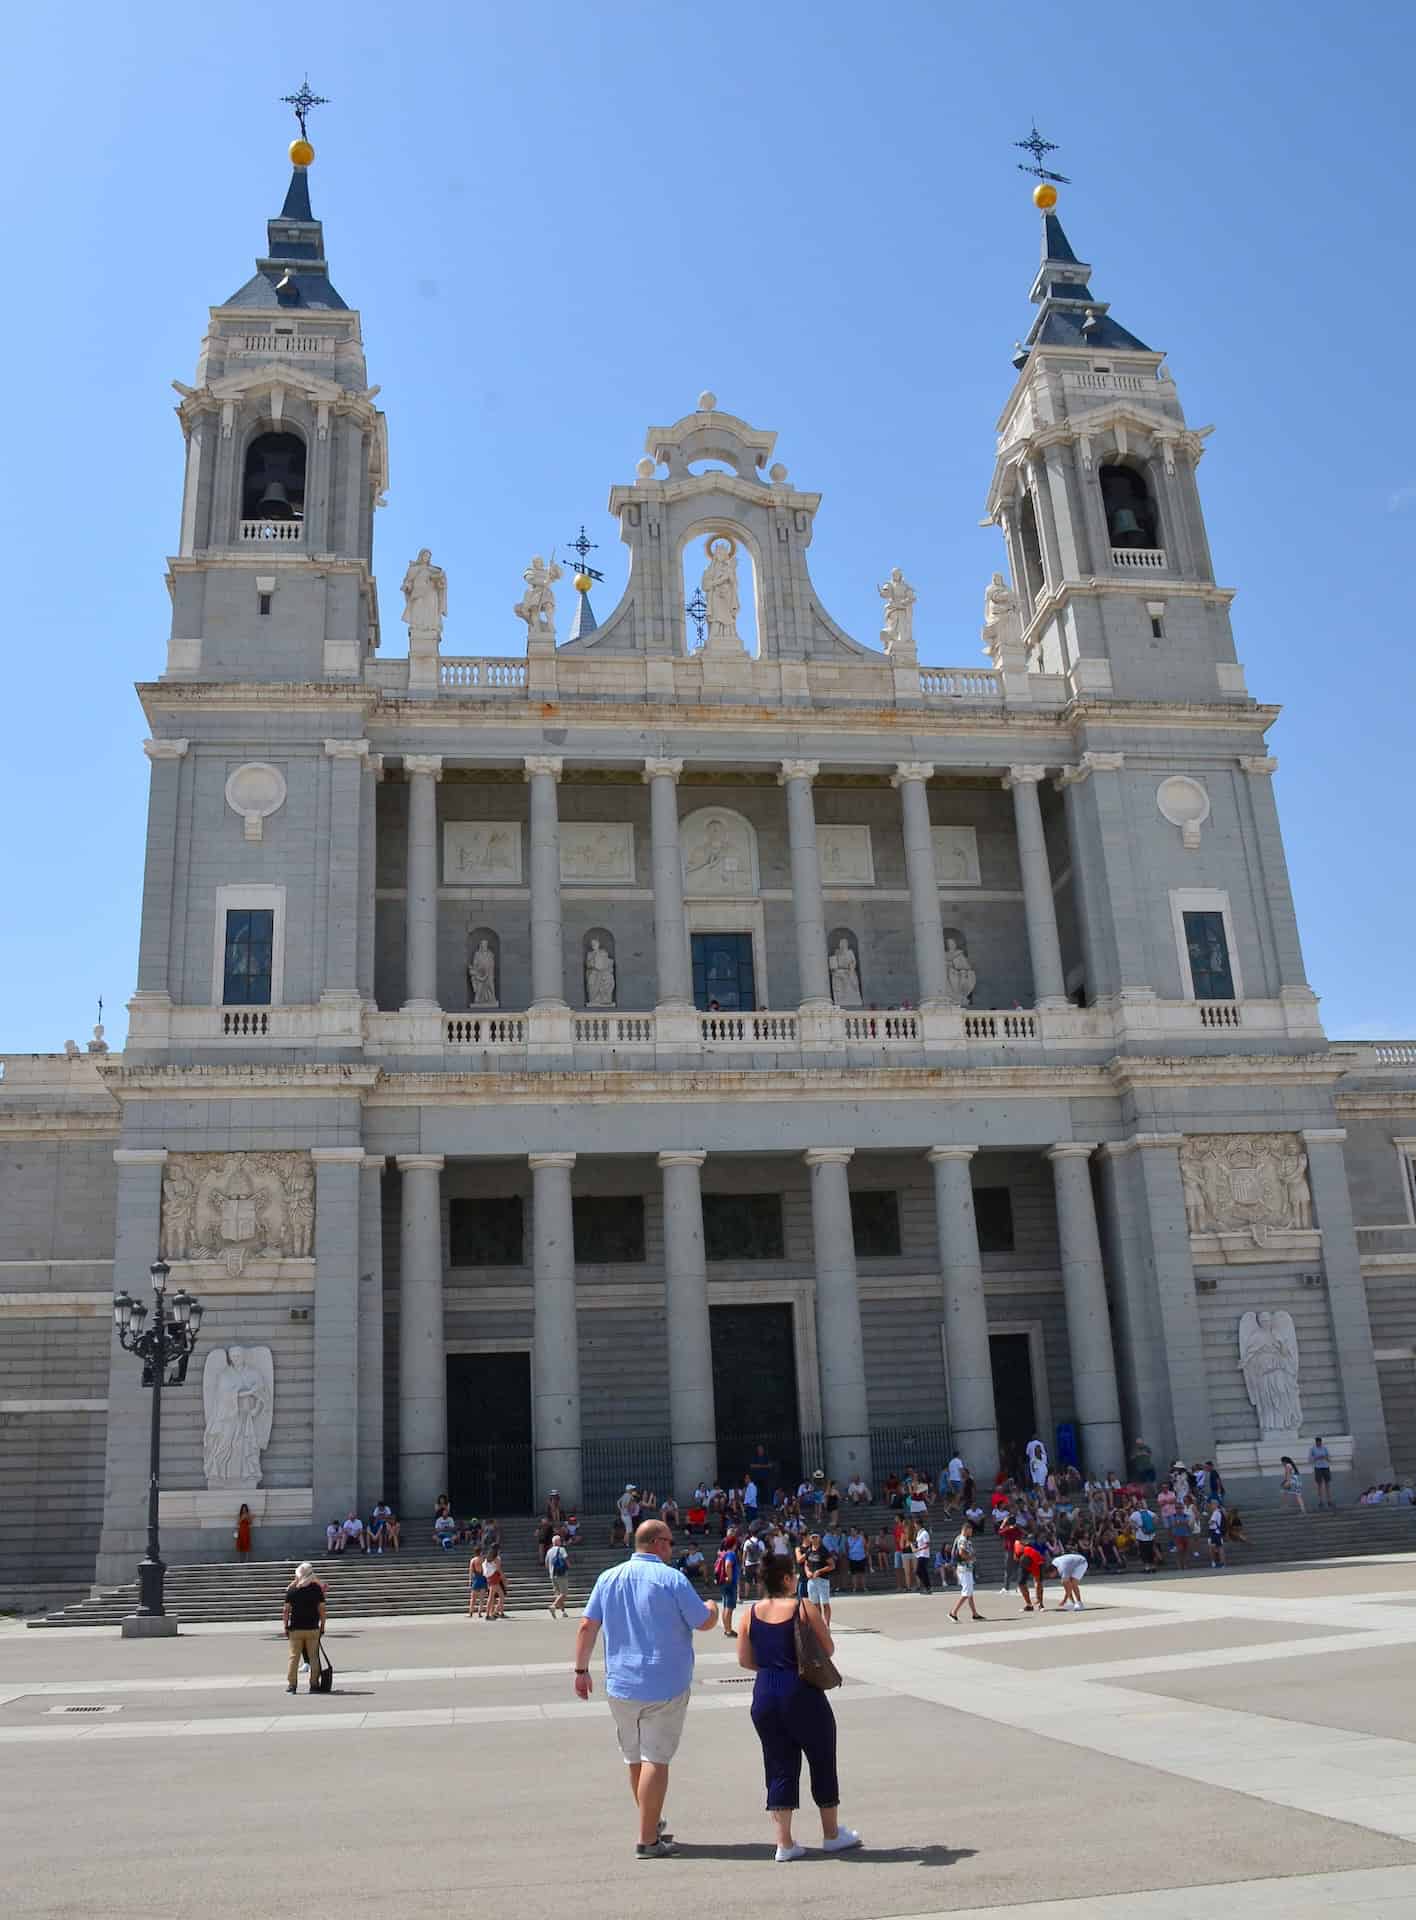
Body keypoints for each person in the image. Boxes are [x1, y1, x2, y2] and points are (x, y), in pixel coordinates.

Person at [574, 1519, 719, 1860]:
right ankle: (647, 1840)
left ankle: (650, 1822)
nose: (672, 1547)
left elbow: (587, 1625)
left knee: (634, 1757)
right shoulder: (672, 1578)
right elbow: (703, 1621)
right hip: (664, 1683)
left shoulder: (608, 1578)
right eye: (669, 1541)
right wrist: (712, 1608)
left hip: (621, 1685)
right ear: (657, 1543)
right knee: (656, 1758)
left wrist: (581, 1670)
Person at [736, 1552, 862, 1862]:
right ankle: (832, 1835)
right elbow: (828, 1648)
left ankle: (784, 1843)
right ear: (786, 1579)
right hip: (802, 1692)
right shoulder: (803, 1608)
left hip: (765, 1695)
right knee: (821, 1759)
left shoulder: (749, 1614)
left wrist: (771, 1667)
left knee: (778, 1765)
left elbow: (745, 1660)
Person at [282, 1561, 326, 1695]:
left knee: (294, 1657)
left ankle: (292, 1686)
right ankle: (314, 1685)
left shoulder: (292, 1590)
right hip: (312, 1627)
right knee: (314, 1657)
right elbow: (322, 1610)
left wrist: (285, 1626)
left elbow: (286, 1611)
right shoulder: (316, 1589)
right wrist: (322, 1625)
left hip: (296, 1628)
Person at [796, 1531, 836, 1626]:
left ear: (819, 1538)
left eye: (816, 1537)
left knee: (825, 1603)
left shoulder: (823, 1550)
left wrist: (820, 1571)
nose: (814, 1539)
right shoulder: (809, 1550)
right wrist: (807, 1572)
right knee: (815, 1604)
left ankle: (826, 1625)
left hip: (822, 1580)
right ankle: (819, 1625)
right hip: (811, 1580)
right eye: (812, 1537)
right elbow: (805, 1563)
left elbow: (832, 1565)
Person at [948, 1520, 983, 1622]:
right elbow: (961, 1553)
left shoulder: (960, 1538)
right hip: (964, 1568)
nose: (972, 1533)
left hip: (965, 1568)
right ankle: (953, 1612)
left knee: (970, 1592)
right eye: (971, 1530)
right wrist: (971, 1557)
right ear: (967, 1529)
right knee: (966, 1592)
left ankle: (974, 1614)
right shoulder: (962, 1539)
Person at [1014, 1538, 1046, 1613]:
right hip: (1024, 1559)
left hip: (1037, 1563)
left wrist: (1037, 1597)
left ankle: (1040, 1604)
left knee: (1038, 1583)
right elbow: (1016, 1544)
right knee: (1021, 1583)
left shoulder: (1036, 1563)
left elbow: (1037, 1581)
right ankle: (1029, 1605)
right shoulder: (1018, 1549)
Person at [547, 1533, 571, 1617]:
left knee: (558, 1594)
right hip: (561, 1574)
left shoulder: (549, 1551)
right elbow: (566, 1558)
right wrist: (569, 1565)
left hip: (552, 1575)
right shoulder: (561, 1549)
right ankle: (553, 1606)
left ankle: (563, 1612)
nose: (561, 1542)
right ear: (558, 1542)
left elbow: (546, 1564)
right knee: (563, 1593)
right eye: (560, 1540)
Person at [1308, 1437, 1335, 1509]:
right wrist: (1317, 1458)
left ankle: (1329, 1500)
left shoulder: (1325, 1448)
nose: (1319, 1444)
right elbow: (1310, 1460)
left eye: (1320, 1442)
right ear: (1316, 1442)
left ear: (1321, 1442)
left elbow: (1330, 1459)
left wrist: (1325, 1457)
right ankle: (1321, 1501)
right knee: (1319, 1485)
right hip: (1318, 1468)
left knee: (1327, 1484)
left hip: (1326, 1467)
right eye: (1317, 1442)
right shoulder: (1313, 1449)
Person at [483, 1544, 507, 1619]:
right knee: (498, 1596)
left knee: (494, 1596)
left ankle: (491, 1613)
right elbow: (498, 1569)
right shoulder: (496, 1558)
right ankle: (491, 1614)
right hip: (495, 1577)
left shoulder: (488, 1557)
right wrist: (504, 1578)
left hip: (490, 1577)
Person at [845, 1526, 868, 1594]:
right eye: (851, 1531)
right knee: (854, 1574)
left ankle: (864, 1587)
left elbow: (865, 1546)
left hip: (861, 1557)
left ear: (856, 1531)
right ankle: (854, 1588)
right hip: (852, 1558)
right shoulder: (848, 1538)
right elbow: (847, 1548)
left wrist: (866, 1554)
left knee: (862, 1573)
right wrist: (848, 1555)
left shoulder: (861, 1538)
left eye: (853, 1531)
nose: (852, 1532)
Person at [913, 1520, 934, 1595]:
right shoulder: (919, 1533)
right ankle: (927, 1587)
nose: (914, 1526)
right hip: (920, 1555)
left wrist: (918, 1549)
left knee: (919, 1571)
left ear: (918, 1525)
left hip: (924, 1555)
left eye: (915, 1524)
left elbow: (927, 1544)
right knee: (921, 1571)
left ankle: (927, 1587)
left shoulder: (925, 1533)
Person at [468, 1547, 489, 1618]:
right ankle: (479, 1612)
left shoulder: (473, 1560)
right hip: (483, 1578)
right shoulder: (484, 1560)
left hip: (476, 1578)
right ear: (480, 1552)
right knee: (482, 1598)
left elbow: (471, 1571)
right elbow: (486, 1570)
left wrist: (470, 1580)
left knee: (473, 1598)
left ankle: (471, 1612)